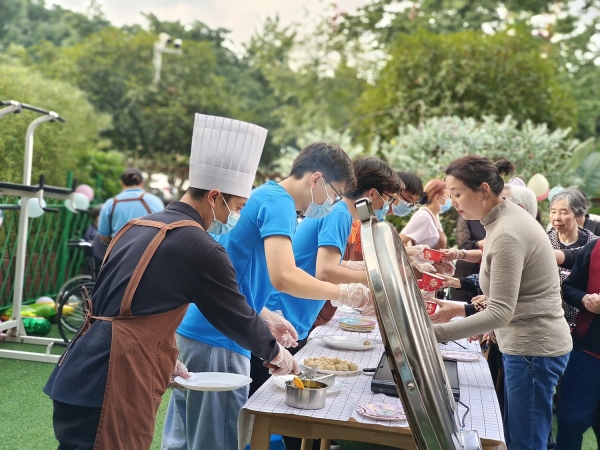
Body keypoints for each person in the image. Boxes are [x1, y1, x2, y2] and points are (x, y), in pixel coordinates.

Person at [44, 114, 299, 450]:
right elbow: (235, 314)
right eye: (235, 207)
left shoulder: (138, 225)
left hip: (78, 373)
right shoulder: (201, 246)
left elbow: (123, 305)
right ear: (214, 196)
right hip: (112, 380)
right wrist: (277, 353)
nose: (233, 218)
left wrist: (158, 356)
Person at [162, 143, 365, 450]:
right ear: (317, 180)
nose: (332, 202)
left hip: (201, 328)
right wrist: (343, 292)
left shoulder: (264, 196)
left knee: (184, 440)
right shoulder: (279, 203)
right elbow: (283, 276)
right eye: (335, 194)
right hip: (221, 337)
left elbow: (236, 273)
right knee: (217, 441)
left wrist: (263, 314)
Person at [432, 155, 572, 450]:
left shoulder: (507, 231)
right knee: (518, 437)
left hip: (533, 348)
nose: (453, 201)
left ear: (483, 190)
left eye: (457, 193)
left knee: (526, 442)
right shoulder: (501, 220)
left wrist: (433, 334)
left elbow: (500, 311)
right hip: (528, 346)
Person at [548, 188, 597, 328]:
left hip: (585, 322)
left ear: (578, 215)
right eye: (553, 212)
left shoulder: (593, 245)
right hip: (552, 323)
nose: (557, 217)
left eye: (563, 212)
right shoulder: (543, 243)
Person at [400, 179, 449, 249]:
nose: (450, 201)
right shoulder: (423, 216)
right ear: (437, 198)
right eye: (448, 196)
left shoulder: (435, 216)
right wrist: (412, 259)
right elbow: (401, 241)